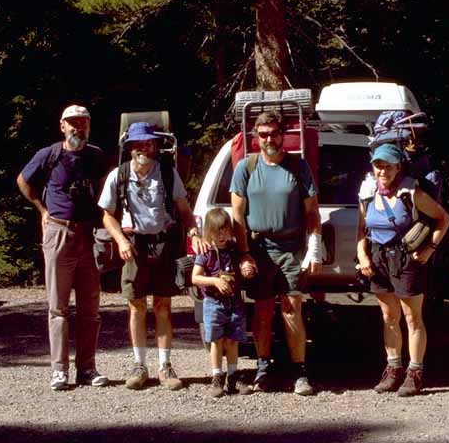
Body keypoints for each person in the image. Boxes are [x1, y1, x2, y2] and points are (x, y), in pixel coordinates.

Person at [98, 121, 206, 391]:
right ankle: (139, 365)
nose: (143, 149)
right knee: (135, 305)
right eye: (138, 144)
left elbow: (183, 208)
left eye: (148, 143)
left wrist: (193, 230)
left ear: (155, 146)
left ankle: (165, 366)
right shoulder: (118, 176)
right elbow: (106, 215)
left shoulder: (168, 174)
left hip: (163, 244)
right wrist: (120, 239)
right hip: (133, 244)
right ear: (130, 147)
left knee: (162, 306)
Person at [16, 104, 109, 391]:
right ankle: (59, 370)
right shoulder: (50, 155)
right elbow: (22, 180)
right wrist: (41, 209)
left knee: (90, 308)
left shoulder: (96, 156)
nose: (77, 127)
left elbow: (105, 187)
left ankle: (87, 368)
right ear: (62, 126)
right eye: (72, 123)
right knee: (58, 308)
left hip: (87, 235)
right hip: (58, 232)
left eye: (82, 122)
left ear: (89, 127)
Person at [230, 110, 322, 396]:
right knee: (262, 310)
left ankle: (299, 372)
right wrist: (243, 253)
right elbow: (236, 215)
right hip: (258, 248)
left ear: (283, 135)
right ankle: (263, 368)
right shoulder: (246, 167)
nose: (269, 138)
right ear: (256, 138)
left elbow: (312, 211)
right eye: (263, 134)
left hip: (291, 247)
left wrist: (314, 248)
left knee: (293, 308)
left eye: (274, 133)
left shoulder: (298, 166)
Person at [356, 143, 449, 396]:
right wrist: (362, 255)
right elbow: (362, 230)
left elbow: (444, 218)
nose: (382, 171)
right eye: (378, 165)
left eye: (388, 166)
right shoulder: (367, 192)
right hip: (378, 260)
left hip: (407, 259)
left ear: (398, 167)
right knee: (389, 318)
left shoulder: (411, 192)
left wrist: (430, 248)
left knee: (412, 318)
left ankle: (415, 373)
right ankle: (393, 369)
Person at [191, 208, 252, 397]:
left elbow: (244, 262)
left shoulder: (234, 250)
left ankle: (233, 376)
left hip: (234, 302)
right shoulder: (206, 252)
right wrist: (215, 281)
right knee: (216, 341)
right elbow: (195, 278)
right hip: (213, 302)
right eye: (218, 231)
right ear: (209, 231)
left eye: (225, 230)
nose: (222, 235)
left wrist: (246, 269)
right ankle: (217, 376)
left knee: (233, 340)